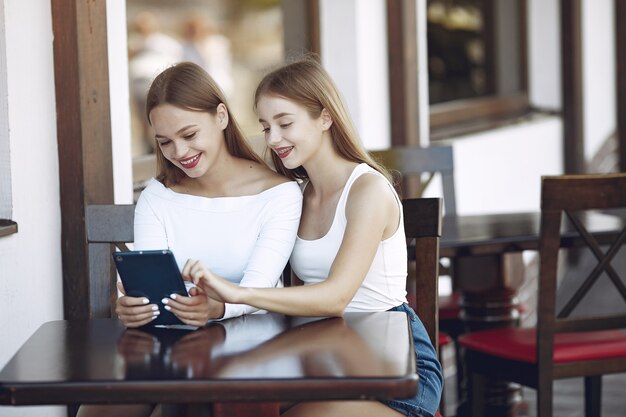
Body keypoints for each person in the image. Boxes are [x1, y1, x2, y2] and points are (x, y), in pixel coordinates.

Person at [185, 57, 444, 417]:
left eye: (284, 123)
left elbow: (336, 297)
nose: (273, 138)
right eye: (265, 126)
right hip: (327, 352)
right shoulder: (296, 195)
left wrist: (237, 292)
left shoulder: (368, 190)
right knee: (222, 406)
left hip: (393, 366)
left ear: (324, 117)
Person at [77, 61, 302, 417]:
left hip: (252, 348)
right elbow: (148, 281)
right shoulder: (158, 196)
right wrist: (132, 307)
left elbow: (261, 289)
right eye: (165, 142)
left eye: (189, 134)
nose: (180, 152)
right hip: (166, 349)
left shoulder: (279, 194)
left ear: (222, 116)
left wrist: (216, 308)